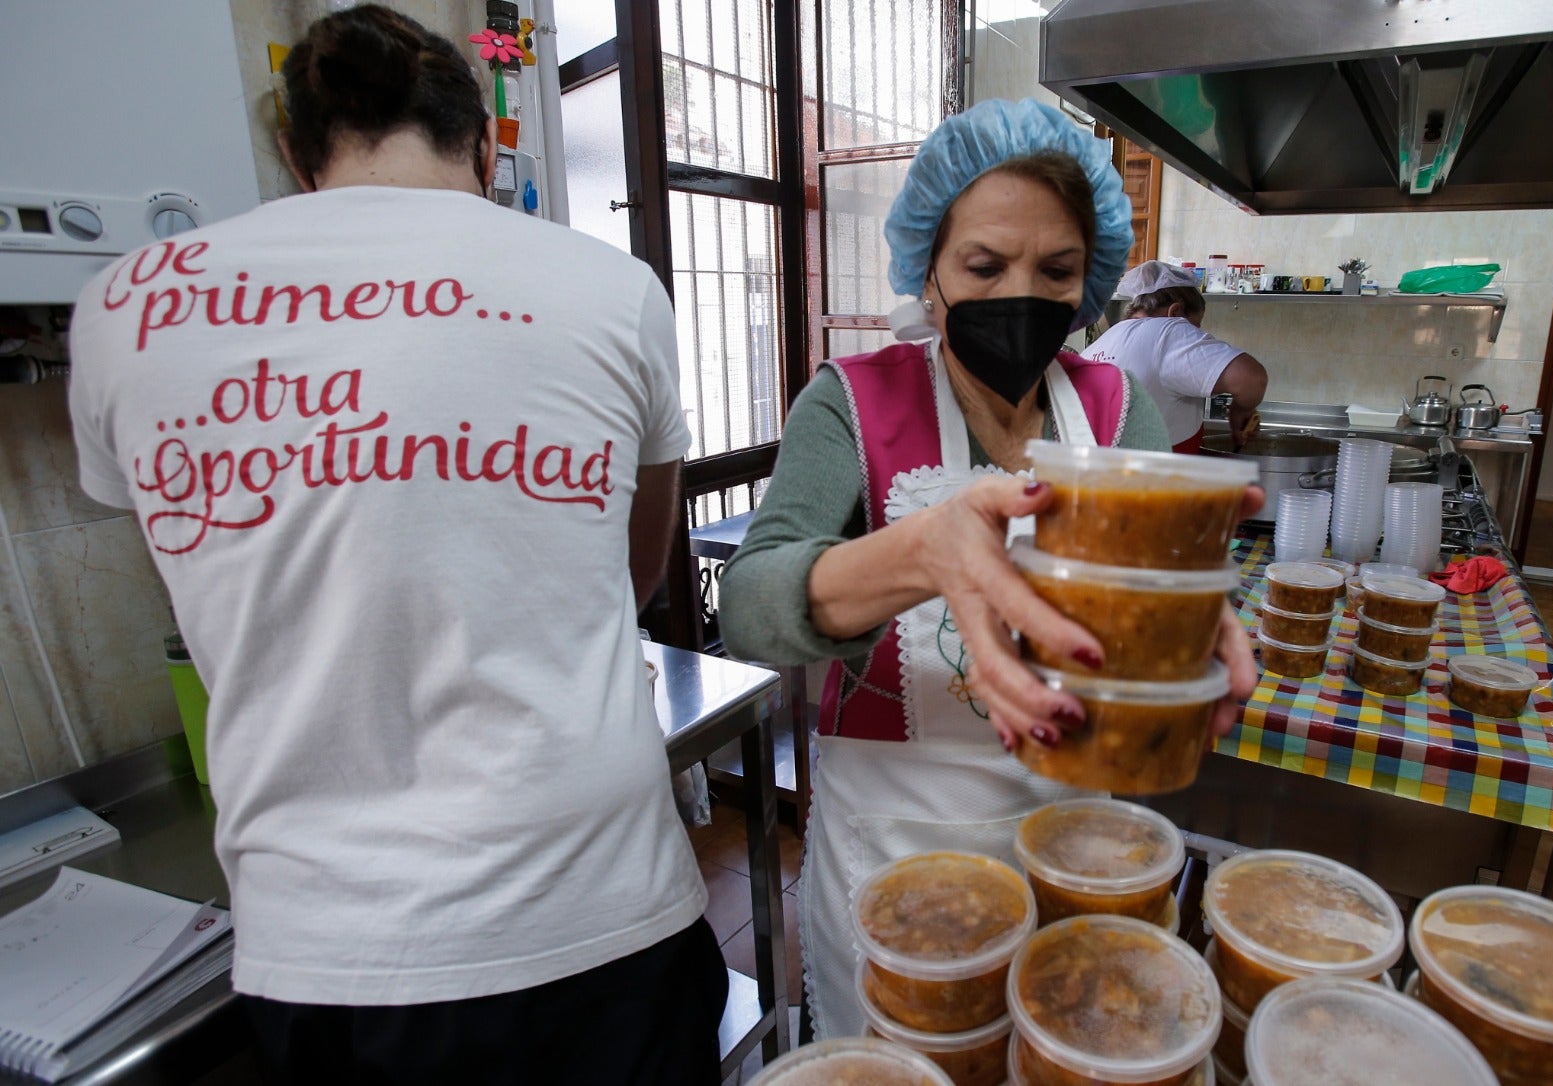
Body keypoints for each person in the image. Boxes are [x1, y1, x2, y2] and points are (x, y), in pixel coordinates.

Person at [67, 7, 724, 1083]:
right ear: (485, 146)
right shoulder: (613, 288)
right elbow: (634, 573)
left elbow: (205, 583)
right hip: (599, 915)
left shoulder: (120, 308)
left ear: (292, 152)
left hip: (327, 953)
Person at [717, 99, 1260, 1039]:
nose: (1022, 292)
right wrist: (915, 551)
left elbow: (1160, 587)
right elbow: (752, 607)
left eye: (1056, 271)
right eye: (984, 266)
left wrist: (1188, 628)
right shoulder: (852, 401)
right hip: (897, 857)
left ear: (1089, 283)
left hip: (1076, 845)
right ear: (928, 270)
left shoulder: (1114, 404)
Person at [1085, 260, 1268, 451]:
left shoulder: (1100, 344)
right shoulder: (1169, 329)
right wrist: (1242, 410)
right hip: (1149, 477)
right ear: (1176, 311)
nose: (1194, 332)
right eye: (1195, 325)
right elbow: (1252, 379)